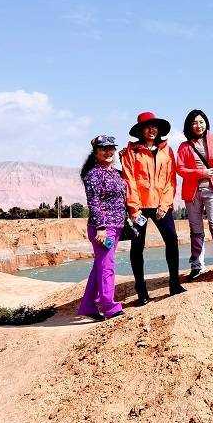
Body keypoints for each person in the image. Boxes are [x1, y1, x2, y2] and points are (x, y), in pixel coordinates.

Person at [120, 111, 186, 304]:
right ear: (141, 130)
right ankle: (141, 289)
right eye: (147, 126)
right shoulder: (131, 152)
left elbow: (171, 180)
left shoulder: (167, 151)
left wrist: (164, 204)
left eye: (154, 126)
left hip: (161, 205)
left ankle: (174, 283)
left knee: (172, 240)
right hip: (139, 206)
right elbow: (128, 181)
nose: (152, 129)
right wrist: (134, 209)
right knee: (137, 246)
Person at [176, 109, 213, 282]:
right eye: (194, 122)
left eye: (201, 122)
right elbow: (180, 169)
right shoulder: (184, 146)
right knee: (196, 231)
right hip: (192, 193)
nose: (198, 125)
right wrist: (201, 172)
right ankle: (197, 266)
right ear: (189, 125)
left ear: (206, 123)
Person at [77, 135, 126, 321]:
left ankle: (89, 306)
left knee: (100, 266)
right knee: (107, 267)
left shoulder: (114, 172)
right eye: (103, 149)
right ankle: (109, 307)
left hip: (116, 226)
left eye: (111, 148)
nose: (108, 152)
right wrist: (101, 228)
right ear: (95, 152)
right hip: (103, 229)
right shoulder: (93, 174)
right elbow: (94, 203)